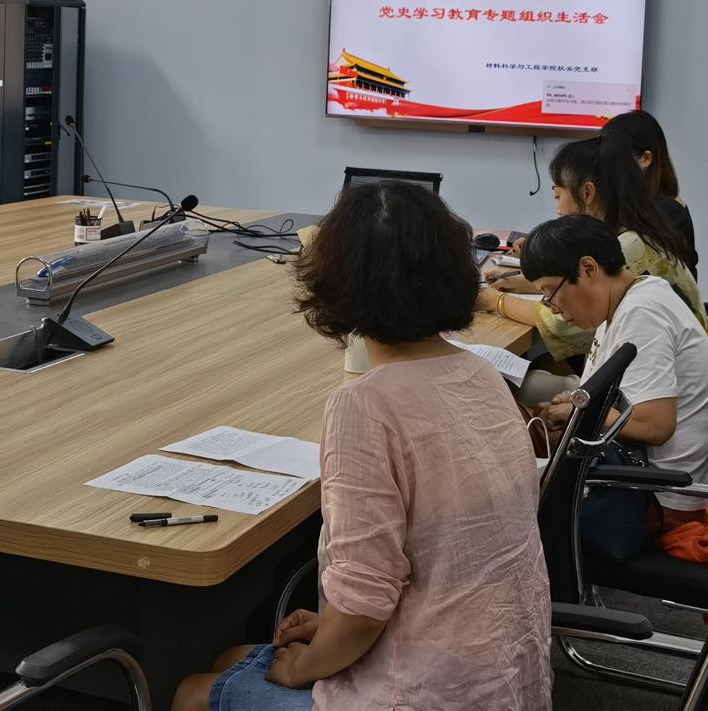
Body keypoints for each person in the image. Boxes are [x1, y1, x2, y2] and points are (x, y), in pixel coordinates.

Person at [172, 181, 551, 711]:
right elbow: (445, 553)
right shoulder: (482, 374)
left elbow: (367, 600)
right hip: (503, 674)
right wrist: (334, 626)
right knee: (232, 657)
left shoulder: (365, 406)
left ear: (335, 282)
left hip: (425, 692)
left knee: (192, 692)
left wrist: (307, 663)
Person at [521, 213, 708, 559]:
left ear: (588, 268)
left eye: (549, 292)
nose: (552, 308)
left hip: (653, 499)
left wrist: (578, 412)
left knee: (502, 511)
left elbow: (654, 426)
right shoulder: (629, 300)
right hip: (638, 477)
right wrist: (573, 403)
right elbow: (622, 393)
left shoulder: (642, 313)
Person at [476, 136, 707, 401]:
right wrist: (526, 282)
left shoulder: (631, 248)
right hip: (651, 378)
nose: (558, 209)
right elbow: (579, 286)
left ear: (587, 193)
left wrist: (496, 301)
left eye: (558, 195)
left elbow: (562, 323)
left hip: (659, 387)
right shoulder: (633, 231)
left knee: (511, 387)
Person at [604, 109, 695, 266]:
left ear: (645, 158)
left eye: (615, 159)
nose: (606, 168)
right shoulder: (625, 205)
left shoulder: (669, 212)